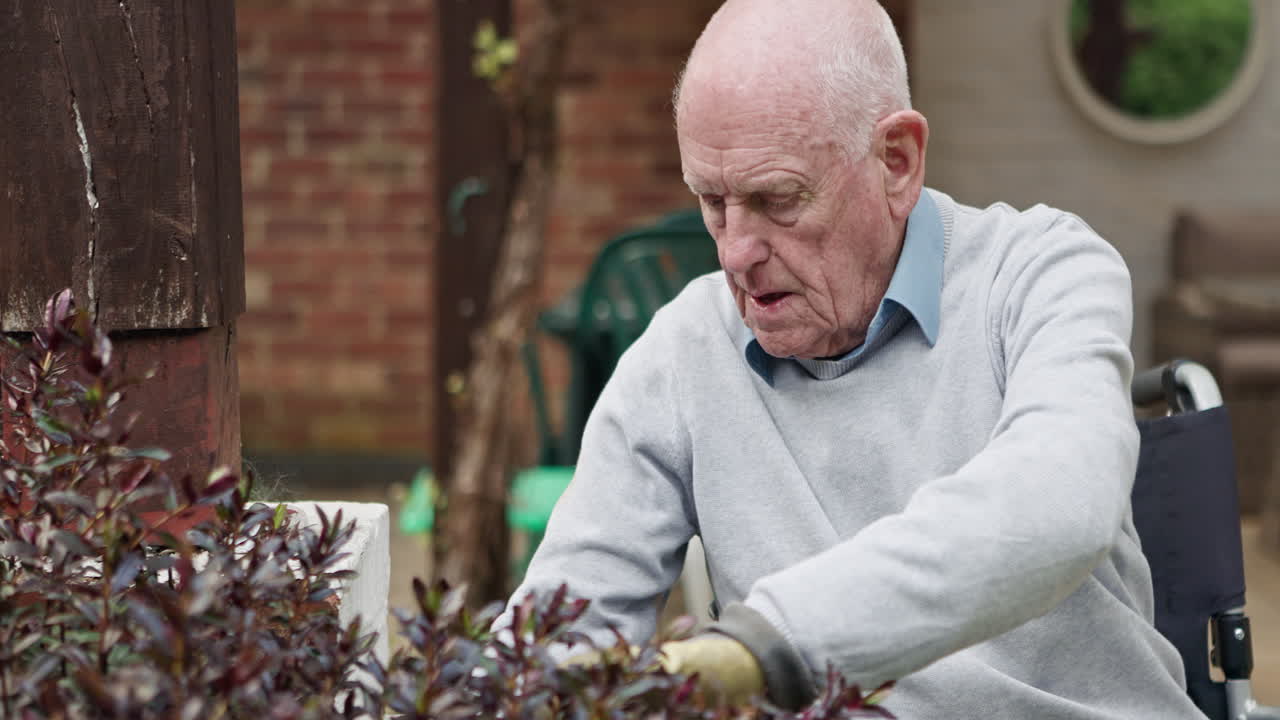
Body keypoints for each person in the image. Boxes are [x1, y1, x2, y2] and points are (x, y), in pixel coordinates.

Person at [503, 0, 1205, 716]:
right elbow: (562, 628)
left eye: (776, 199)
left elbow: (1058, 503)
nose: (734, 252)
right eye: (713, 202)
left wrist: (767, 646)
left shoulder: (1040, 274)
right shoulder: (683, 351)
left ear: (896, 162)